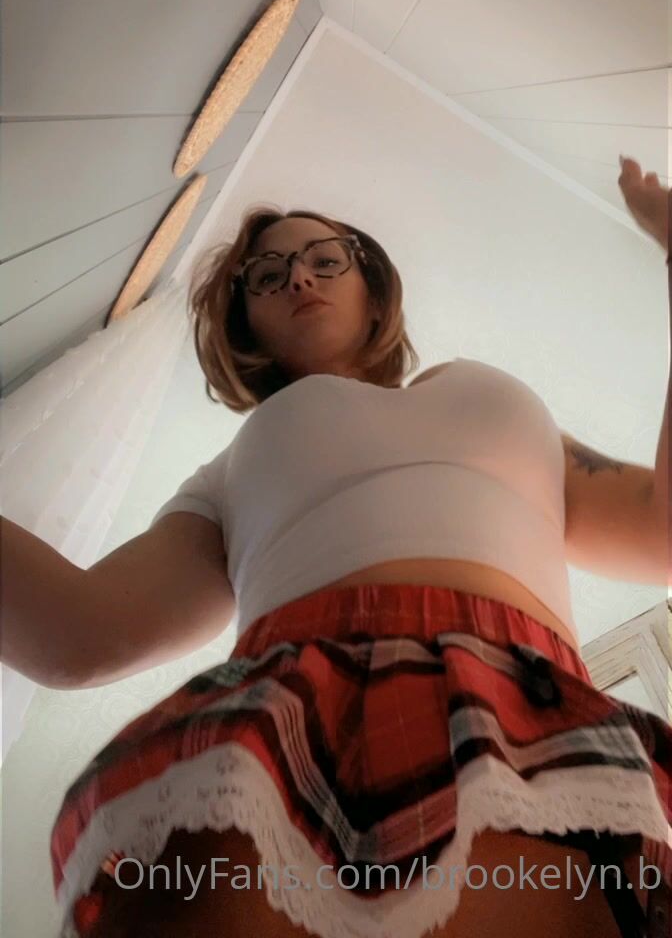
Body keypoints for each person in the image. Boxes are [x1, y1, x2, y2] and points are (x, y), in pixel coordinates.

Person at [2, 158, 670, 938]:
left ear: (373, 284)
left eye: (325, 259)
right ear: (244, 321)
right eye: (268, 273)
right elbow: (84, 632)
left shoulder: (504, 409)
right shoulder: (226, 475)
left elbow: (661, 532)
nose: (299, 277)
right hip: (285, 737)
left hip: (520, 722)